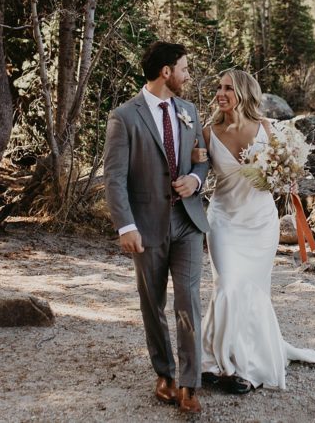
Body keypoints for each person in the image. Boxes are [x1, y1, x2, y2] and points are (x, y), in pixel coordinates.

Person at [198, 69, 315, 392]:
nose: (220, 94)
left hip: (261, 223)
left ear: (245, 94)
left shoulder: (268, 129)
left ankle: (247, 369)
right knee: (228, 285)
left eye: (228, 89)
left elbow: (289, 173)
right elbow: (195, 173)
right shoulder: (208, 132)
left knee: (251, 291)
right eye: (219, 88)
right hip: (223, 220)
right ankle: (211, 362)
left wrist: (287, 179)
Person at [103, 42, 211, 415]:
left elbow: (201, 160)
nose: (187, 75)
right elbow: (114, 178)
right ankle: (164, 372)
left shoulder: (189, 111)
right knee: (153, 304)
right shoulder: (124, 117)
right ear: (166, 72)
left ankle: (189, 384)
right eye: (184, 68)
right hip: (146, 227)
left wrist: (196, 182)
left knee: (189, 301)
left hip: (189, 223)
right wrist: (125, 226)